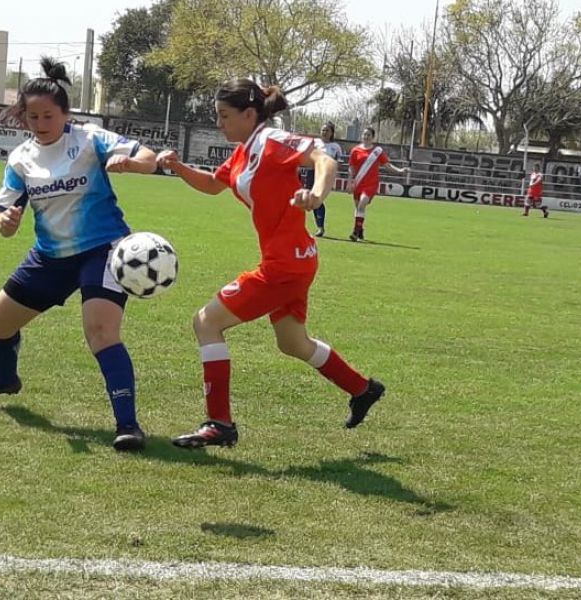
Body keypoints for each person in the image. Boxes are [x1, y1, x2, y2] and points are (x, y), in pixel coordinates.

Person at [156, 78, 386, 449]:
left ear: (250, 115)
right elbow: (215, 185)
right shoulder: (245, 150)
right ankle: (363, 389)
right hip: (296, 261)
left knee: (206, 322)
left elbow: (324, 159)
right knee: (293, 343)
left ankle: (220, 423)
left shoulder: (271, 141)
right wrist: (178, 167)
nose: (220, 123)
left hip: (284, 266)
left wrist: (315, 193)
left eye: (225, 116)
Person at [0, 57, 158, 452]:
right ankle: (5, 380)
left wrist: (130, 163)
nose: (39, 123)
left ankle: (129, 426)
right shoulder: (20, 159)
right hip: (50, 256)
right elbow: (3, 214)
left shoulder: (89, 139)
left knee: (100, 331)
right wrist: (7, 223)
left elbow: (150, 159)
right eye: (31, 116)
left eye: (48, 115)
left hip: (103, 249)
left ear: (65, 113)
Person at [347, 127, 407, 241]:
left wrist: (399, 171)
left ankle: (355, 232)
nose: (366, 137)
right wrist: (350, 181)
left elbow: (387, 165)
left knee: (362, 204)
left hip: (371, 184)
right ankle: (360, 230)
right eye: (364, 134)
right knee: (358, 209)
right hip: (358, 183)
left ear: (373, 137)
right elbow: (351, 167)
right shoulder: (355, 150)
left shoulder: (377, 151)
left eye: (368, 135)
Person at [304, 122, 343, 237]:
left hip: (324, 174)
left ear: (331, 133)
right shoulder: (315, 142)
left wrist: (336, 172)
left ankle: (320, 227)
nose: (324, 132)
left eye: (327, 130)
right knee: (309, 198)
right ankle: (302, 225)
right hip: (312, 172)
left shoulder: (335, 147)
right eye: (323, 130)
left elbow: (338, 162)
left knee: (317, 198)